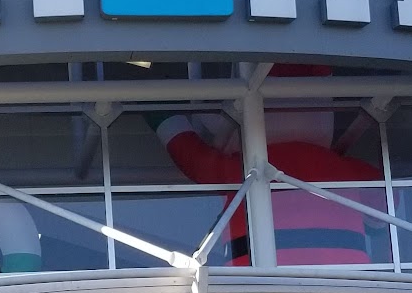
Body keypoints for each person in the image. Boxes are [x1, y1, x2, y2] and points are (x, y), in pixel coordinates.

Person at [148, 77, 378, 266]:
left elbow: (193, 156)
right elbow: (383, 207)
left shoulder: (239, 167)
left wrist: (152, 100)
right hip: (349, 272)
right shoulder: (344, 168)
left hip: (254, 271)